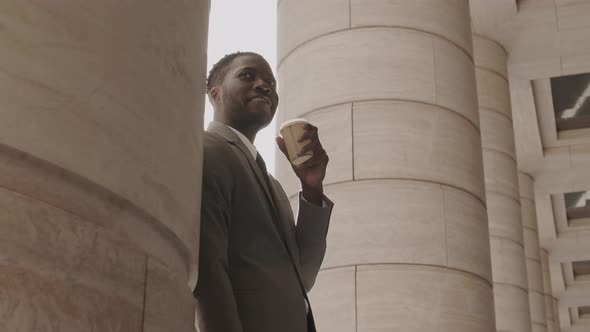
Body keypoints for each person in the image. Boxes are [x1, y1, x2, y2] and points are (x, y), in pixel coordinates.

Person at [193, 51, 334, 332]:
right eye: (247, 75)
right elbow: (209, 271)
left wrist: (312, 187)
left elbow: (302, 275)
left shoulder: (274, 186)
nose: (264, 85)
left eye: (270, 82)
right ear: (215, 94)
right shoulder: (207, 150)